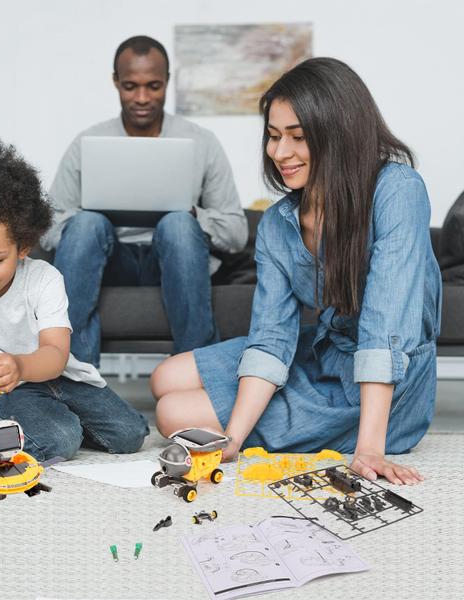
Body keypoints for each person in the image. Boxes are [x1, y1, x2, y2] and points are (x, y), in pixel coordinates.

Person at [151, 57, 442, 486]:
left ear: (338, 134)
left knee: (172, 412)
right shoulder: (277, 222)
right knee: (165, 376)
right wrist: (232, 440)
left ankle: (352, 430)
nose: (279, 153)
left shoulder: (398, 190)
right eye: (272, 136)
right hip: (325, 346)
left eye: (298, 137)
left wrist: (369, 449)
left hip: (387, 383)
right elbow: (272, 337)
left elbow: (386, 325)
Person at [0, 141, 149, 469]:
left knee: (131, 434)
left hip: (60, 377)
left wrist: (21, 366)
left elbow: (55, 353)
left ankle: (48, 423)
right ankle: (30, 427)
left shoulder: (44, 279)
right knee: (59, 439)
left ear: (23, 247)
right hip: (6, 393)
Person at [42, 35, 248, 367]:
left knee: (179, 223)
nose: (141, 98)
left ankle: (197, 372)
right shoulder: (88, 143)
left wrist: (192, 213)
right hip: (109, 264)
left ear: (168, 82)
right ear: (115, 82)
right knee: (87, 223)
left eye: (153, 86)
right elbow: (47, 227)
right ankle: (72, 375)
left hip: (175, 262)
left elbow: (237, 234)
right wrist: (90, 216)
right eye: (130, 86)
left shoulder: (202, 142)